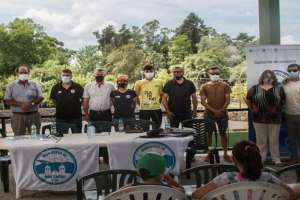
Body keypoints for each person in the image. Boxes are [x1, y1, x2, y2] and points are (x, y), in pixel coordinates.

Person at [192, 141, 295, 199]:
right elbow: (291, 195)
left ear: (234, 160)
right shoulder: (268, 178)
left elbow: (196, 195)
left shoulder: (226, 178)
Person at [246, 70, 285, 166]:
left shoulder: (279, 89)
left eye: (270, 76)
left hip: (274, 118)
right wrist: (252, 108)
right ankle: (261, 159)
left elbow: (283, 101)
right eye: (266, 76)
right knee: (261, 141)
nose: (268, 78)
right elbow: (247, 99)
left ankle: (276, 160)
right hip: (258, 118)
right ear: (262, 77)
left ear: (273, 78)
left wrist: (276, 109)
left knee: (274, 140)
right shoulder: (254, 89)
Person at [200, 66, 231, 162]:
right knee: (209, 134)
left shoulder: (225, 85)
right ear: (209, 74)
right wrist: (214, 111)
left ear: (220, 74)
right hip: (209, 114)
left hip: (222, 114)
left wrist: (221, 110)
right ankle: (209, 154)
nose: (215, 75)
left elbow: (228, 100)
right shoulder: (204, 86)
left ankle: (225, 154)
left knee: (223, 134)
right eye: (213, 74)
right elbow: (203, 101)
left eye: (217, 73)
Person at [4, 65, 43, 135]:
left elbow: (40, 97)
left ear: (28, 73)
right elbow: (7, 100)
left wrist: (31, 104)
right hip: (18, 116)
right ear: (17, 73)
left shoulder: (35, 84)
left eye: (25, 72)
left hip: (33, 115)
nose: (23, 74)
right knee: (18, 138)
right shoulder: (11, 85)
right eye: (21, 73)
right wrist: (21, 104)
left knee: (35, 137)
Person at [50, 69, 84, 133]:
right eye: (63, 75)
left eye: (67, 75)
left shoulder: (78, 87)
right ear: (61, 76)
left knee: (77, 138)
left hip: (76, 118)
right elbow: (53, 99)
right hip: (61, 118)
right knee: (62, 139)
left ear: (71, 76)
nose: (65, 77)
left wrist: (76, 106)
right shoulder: (55, 87)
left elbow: (83, 99)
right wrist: (59, 105)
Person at [134, 64, 163, 129]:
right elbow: (136, 96)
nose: (149, 73)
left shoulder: (159, 82)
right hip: (144, 109)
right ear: (143, 72)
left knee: (157, 129)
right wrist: (140, 105)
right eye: (147, 71)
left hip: (156, 109)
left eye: (151, 71)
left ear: (154, 72)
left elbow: (161, 95)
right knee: (144, 129)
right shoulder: (138, 83)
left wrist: (157, 103)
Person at [282, 64, 300, 165]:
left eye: (295, 70)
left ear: (299, 70)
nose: (292, 72)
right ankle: (294, 158)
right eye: (290, 70)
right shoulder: (285, 83)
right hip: (289, 115)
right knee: (292, 139)